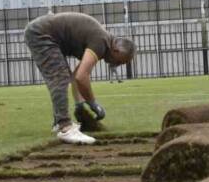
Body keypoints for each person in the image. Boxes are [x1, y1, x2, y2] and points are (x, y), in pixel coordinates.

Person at [24, 12, 136, 145]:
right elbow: (82, 77)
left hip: (43, 32)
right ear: (116, 50)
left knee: (63, 75)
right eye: (119, 62)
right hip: (41, 34)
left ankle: (58, 122)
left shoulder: (103, 41)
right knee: (59, 77)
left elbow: (76, 75)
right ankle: (65, 127)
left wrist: (79, 104)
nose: (116, 65)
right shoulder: (101, 42)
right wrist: (93, 103)